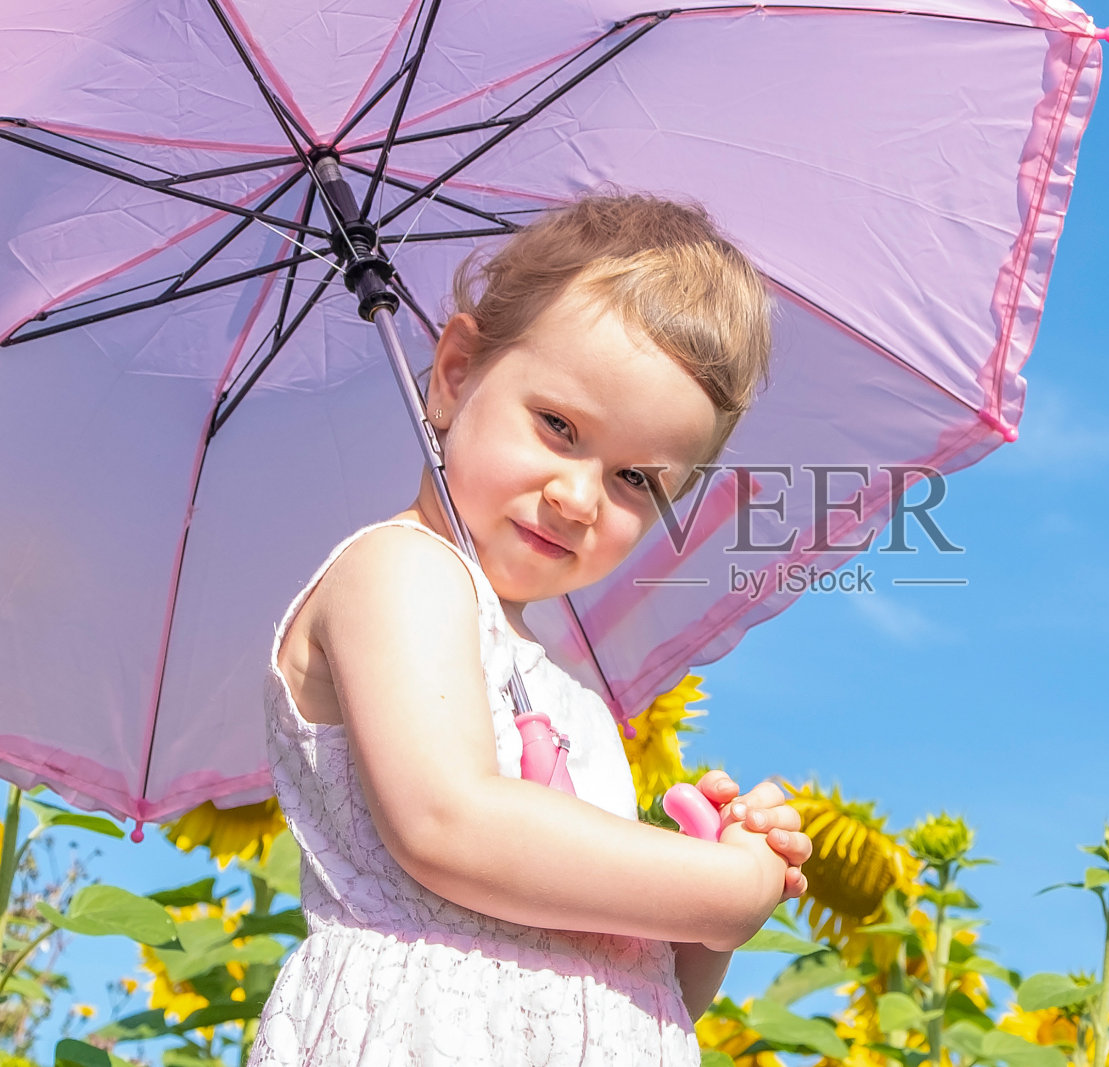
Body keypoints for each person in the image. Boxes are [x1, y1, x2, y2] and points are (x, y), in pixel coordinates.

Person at [249, 193, 810, 1065]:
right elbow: (449, 821)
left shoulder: (574, 698)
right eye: (557, 426)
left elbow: (645, 980)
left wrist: (708, 916)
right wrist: (720, 889)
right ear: (455, 372)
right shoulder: (401, 572)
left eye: (635, 479)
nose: (579, 497)